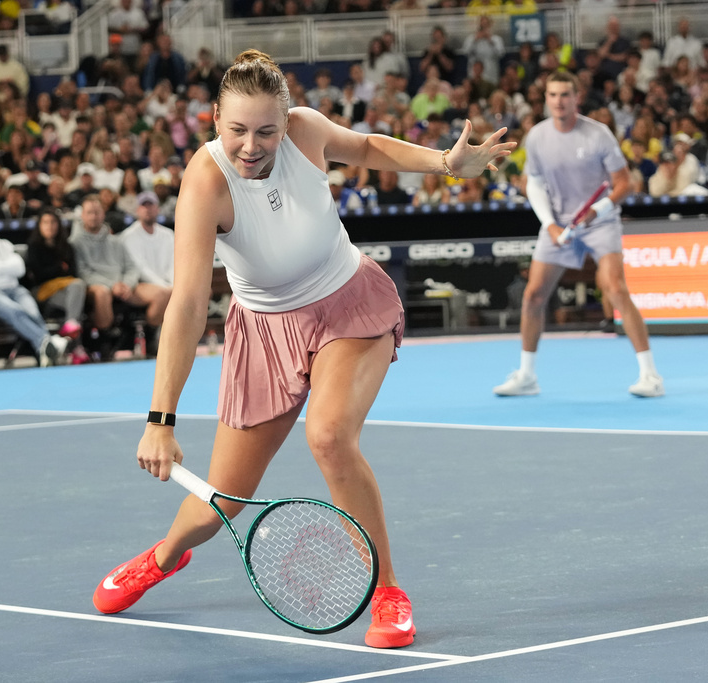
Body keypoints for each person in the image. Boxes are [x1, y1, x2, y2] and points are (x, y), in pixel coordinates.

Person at [91, 50, 512, 649]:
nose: (251, 145)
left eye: (266, 131)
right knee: (220, 503)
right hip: (264, 335)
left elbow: (367, 146)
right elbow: (186, 304)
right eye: (238, 130)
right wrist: (160, 420)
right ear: (215, 120)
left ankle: (387, 591)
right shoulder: (205, 182)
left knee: (330, 436)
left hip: (348, 308)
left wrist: (445, 162)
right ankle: (164, 556)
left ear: (286, 123)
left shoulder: (307, 132)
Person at [493, 72, 663, 399]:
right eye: (553, 95)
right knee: (533, 295)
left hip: (600, 222)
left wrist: (598, 210)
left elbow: (624, 184)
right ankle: (527, 376)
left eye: (565, 95)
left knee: (615, 288)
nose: (559, 101)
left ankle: (650, 375)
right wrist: (550, 224)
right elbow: (534, 184)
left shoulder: (599, 134)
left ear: (577, 98)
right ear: (546, 98)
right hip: (558, 222)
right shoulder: (537, 136)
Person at [0, 206, 69, 367]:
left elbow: (20, 269)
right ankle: (47, 342)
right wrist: (5, 268)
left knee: (32, 312)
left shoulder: (4, 244)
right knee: (15, 310)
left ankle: (45, 351)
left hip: (15, 290)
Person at [71, 194, 170, 359]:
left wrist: (126, 284)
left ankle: (151, 336)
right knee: (102, 293)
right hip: (97, 287)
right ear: (82, 215)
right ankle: (105, 341)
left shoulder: (115, 240)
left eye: (97, 212)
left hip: (123, 286)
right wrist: (112, 285)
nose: (94, 216)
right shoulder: (75, 242)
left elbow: (131, 267)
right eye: (89, 213)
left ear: (103, 214)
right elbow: (83, 273)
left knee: (163, 293)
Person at [24, 208, 90, 364]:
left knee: (76, 294)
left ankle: (71, 329)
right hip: (42, 293)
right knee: (77, 292)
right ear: (39, 225)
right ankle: (76, 347)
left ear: (59, 225)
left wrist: (57, 271)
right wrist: (59, 268)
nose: (50, 226)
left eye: (53, 222)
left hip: (65, 291)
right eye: (46, 222)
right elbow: (38, 275)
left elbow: (73, 271)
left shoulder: (67, 247)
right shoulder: (34, 247)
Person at [120, 191, 175, 289]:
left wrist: (173, 285)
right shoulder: (128, 236)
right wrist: (164, 287)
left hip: (169, 285)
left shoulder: (169, 234)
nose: (147, 209)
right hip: (143, 285)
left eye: (151, 205)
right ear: (137, 210)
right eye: (143, 205)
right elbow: (140, 268)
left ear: (158, 209)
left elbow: (173, 264)